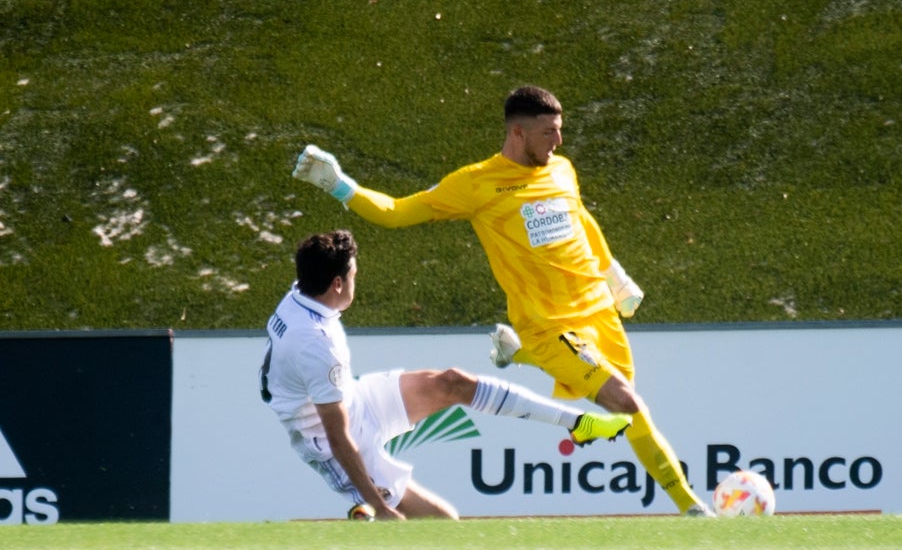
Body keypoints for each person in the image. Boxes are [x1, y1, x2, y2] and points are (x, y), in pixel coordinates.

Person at [291, 85, 712, 516]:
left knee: (630, 415)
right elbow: (397, 212)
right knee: (628, 403)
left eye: (560, 130)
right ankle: (692, 509)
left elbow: (583, 220)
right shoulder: (476, 184)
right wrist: (340, 186)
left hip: (598, 311)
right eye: (549, 132)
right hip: (549, 324)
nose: (559, 141)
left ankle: (517, 354)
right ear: (518, 133)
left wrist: (615, 276)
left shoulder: (562, 169)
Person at [260, 229, 632, 521]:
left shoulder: (301, 290)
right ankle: (377, 511)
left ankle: (576, 421)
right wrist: (377, 504)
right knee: (444, 526)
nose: (357, 280)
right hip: (329, 441)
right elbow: (339, 437)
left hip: (352, 399)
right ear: (337, 284)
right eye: (353, 274)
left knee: (453, 382)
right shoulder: (317, 344)